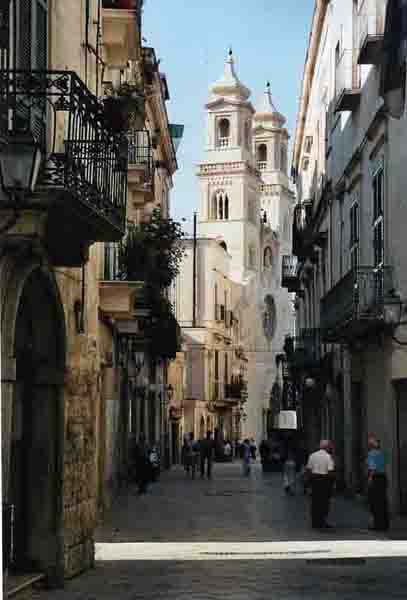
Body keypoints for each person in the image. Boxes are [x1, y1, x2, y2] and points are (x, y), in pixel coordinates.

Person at [305, 440, 335, 528]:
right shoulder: (328, 457)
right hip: (325, 481)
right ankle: (323, 521)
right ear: (327, 447)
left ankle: (315, 522)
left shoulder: (312, 456)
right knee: (324, 502)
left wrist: (308, 482)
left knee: (315, 501)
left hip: (314, 480)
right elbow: (330, 471)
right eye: (329, 446)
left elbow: (308, 470)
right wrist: (332, 483)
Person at [367, 434, 389, 531]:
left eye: (370, 442)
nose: (369, 443)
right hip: (383, 477)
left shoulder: (371, 454)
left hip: (375, 478)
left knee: (374, 502)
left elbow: (372, 468)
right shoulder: (382, 453)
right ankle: (384, 524)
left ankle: (377, 524)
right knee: (382, 501)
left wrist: (370, 478)